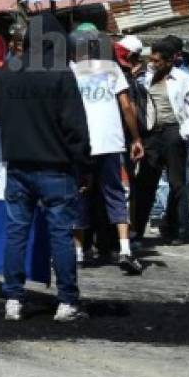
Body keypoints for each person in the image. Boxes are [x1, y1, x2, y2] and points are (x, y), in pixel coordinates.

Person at [0, 12, 92, 323]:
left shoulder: (7, 72)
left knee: (16, 233)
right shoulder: (61, 73)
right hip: (55, 169)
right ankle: (67, 301)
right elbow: (76, 128)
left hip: (17, 166)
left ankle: (13, 299)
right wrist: (84, 167)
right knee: (61, 233)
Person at [70, 31, 145, 275]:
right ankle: (125, 249)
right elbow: (126, 106)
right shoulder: (112, 68)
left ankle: (79, 252)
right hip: (111, 141)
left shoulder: (71, 70)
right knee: (115, 193)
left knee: (80, 193)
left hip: (83, 143)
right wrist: (135, 138)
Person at [133, 39, 189, 244]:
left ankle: (178, 229)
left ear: (170, 61)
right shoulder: (144, 78)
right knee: (146, 183)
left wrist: (185, 132)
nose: (153, 64)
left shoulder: (182, 79)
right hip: (151, 135)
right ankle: (137, 231)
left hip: (174, 132)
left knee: (177, 183)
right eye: (151, 59)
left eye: (157, 61)